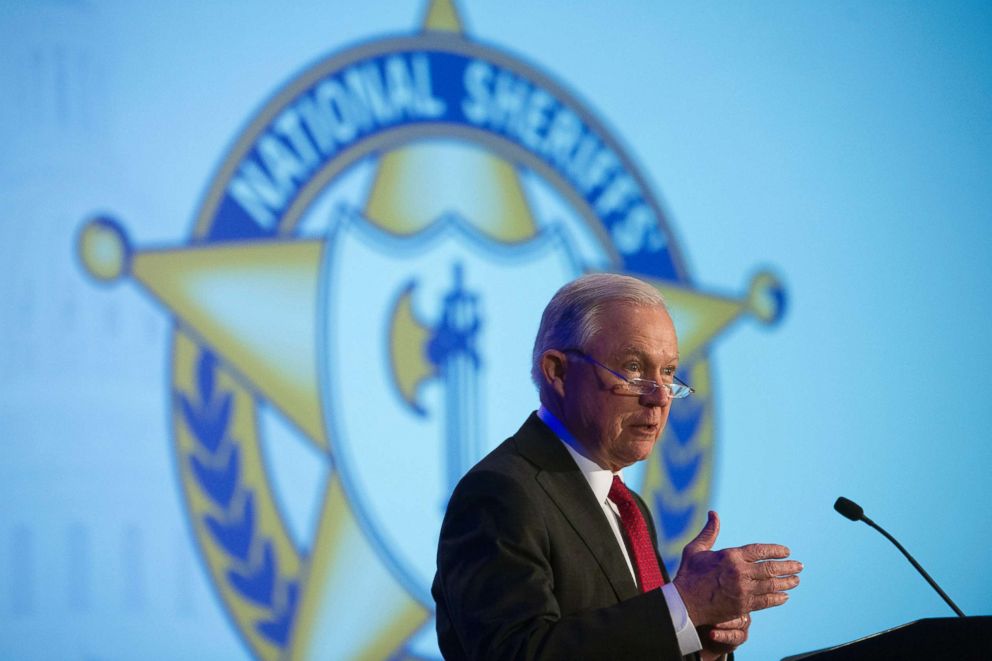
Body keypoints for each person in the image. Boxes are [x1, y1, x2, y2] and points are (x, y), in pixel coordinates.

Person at [432, 273, 802, 660]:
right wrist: (685, 606)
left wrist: (699, 640)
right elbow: (518, 654)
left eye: (668, 372)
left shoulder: (629, 506)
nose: (659, 396)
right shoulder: (499, 494)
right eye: (634, 368)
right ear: (557, 371)